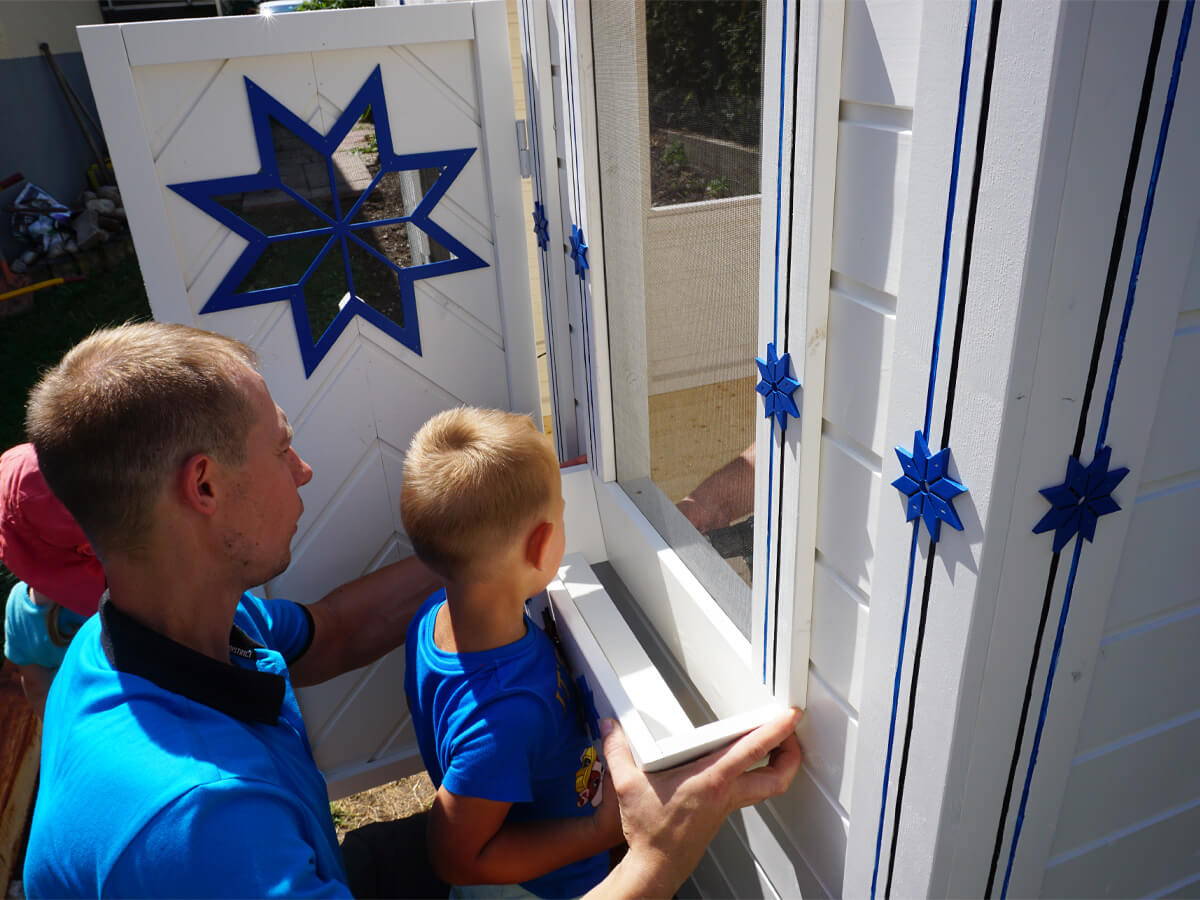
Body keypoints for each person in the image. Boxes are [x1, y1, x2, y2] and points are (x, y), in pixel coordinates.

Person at [21, 322, 801, 898]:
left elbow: (334, 632)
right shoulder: (200, 829)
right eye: (279, 449)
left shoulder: (146, 640)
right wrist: (655, 851)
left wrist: (482, 545)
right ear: (205, 488)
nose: (303, 469)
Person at [401, 408, 621, 897]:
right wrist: (600, 831)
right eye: (562, 514)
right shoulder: (505, 718)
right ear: (542, 546)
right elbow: (456, 859)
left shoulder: (436, 617)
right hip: (537, 889)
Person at [0, 442, 106, 717]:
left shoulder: (17, 607)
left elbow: (35, 684)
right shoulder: (123, 596)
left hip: (78, 728)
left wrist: (54, 733)